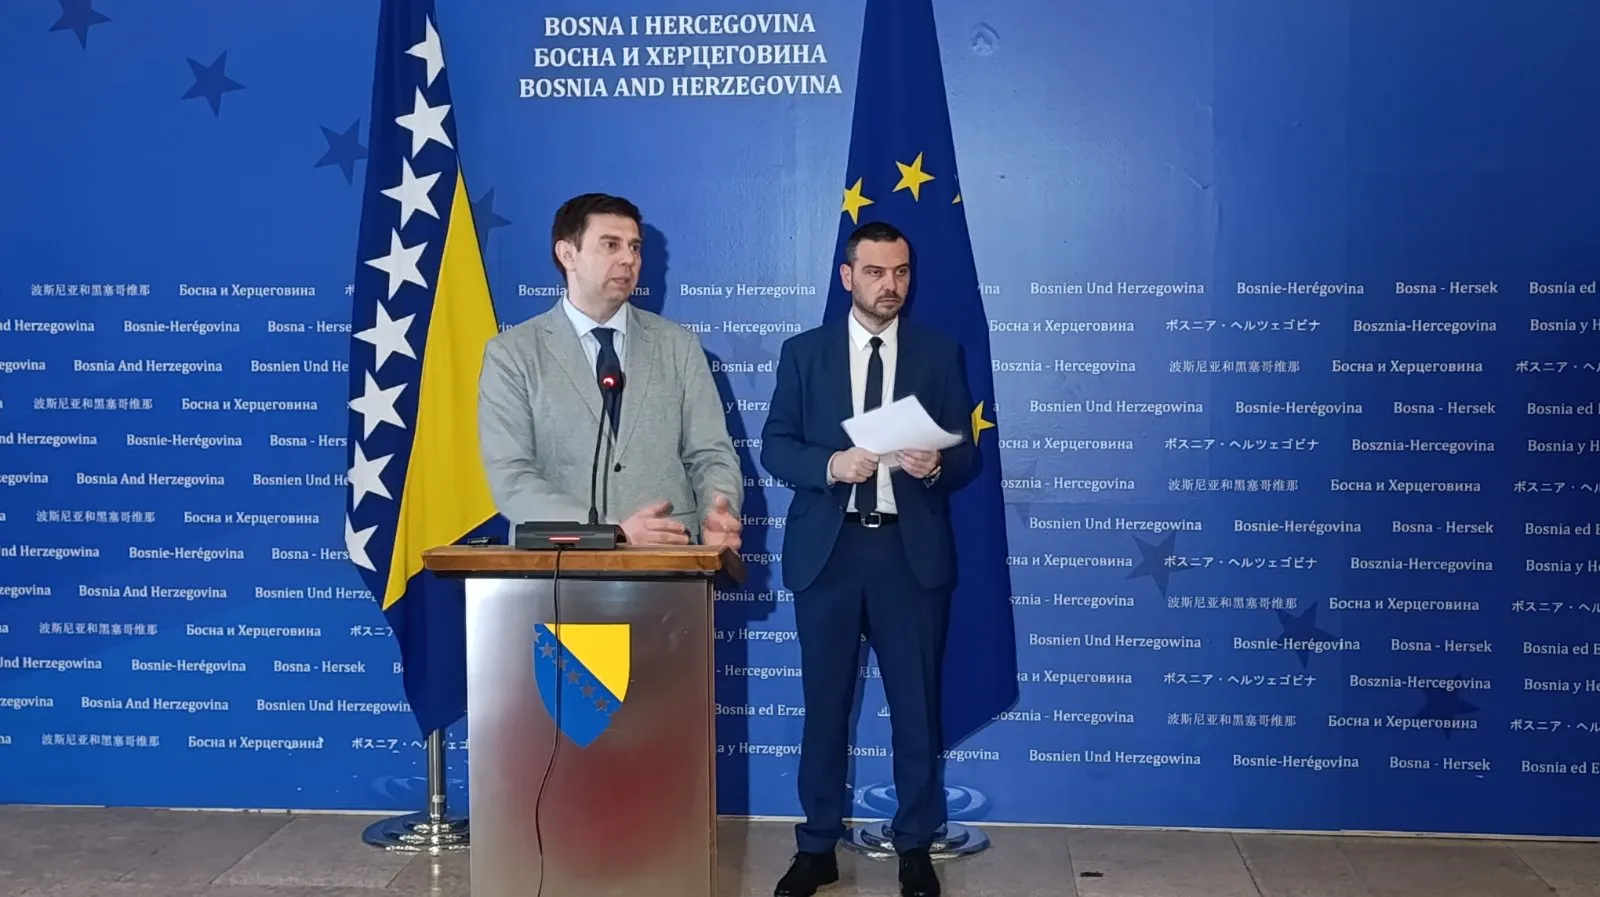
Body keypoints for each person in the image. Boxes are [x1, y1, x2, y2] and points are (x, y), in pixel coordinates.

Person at [759, 221, 976, 897]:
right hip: (830, 552)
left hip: (908, 556)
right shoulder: (804, 353)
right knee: (824, 708)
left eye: (901, 272)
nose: (891, 285)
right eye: (877, 272)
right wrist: (830, 464)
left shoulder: (939, 353)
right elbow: (775, 445)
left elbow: (968, 455)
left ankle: (915, 845)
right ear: (847, 276)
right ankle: (816, 846)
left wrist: (937, 464)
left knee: (915, 708)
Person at [477, 192, 743, 549]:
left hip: (670, 557)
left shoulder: (678, 345)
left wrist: (717, 512)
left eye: (634, 247)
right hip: (557, 563)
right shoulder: (513, 354)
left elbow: (711, 454)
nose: (628, 259)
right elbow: (512, 478)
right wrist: (611, 531)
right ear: (567, 254)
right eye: (611, 245)